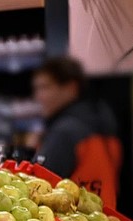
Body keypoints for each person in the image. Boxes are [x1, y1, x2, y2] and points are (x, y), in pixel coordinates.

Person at [32, 57, 122, 207]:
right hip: (106, 220)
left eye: (45, 87)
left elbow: (36, 188)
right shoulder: (104, 121)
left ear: (71, 88)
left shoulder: (65, 132)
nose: (38, 97)